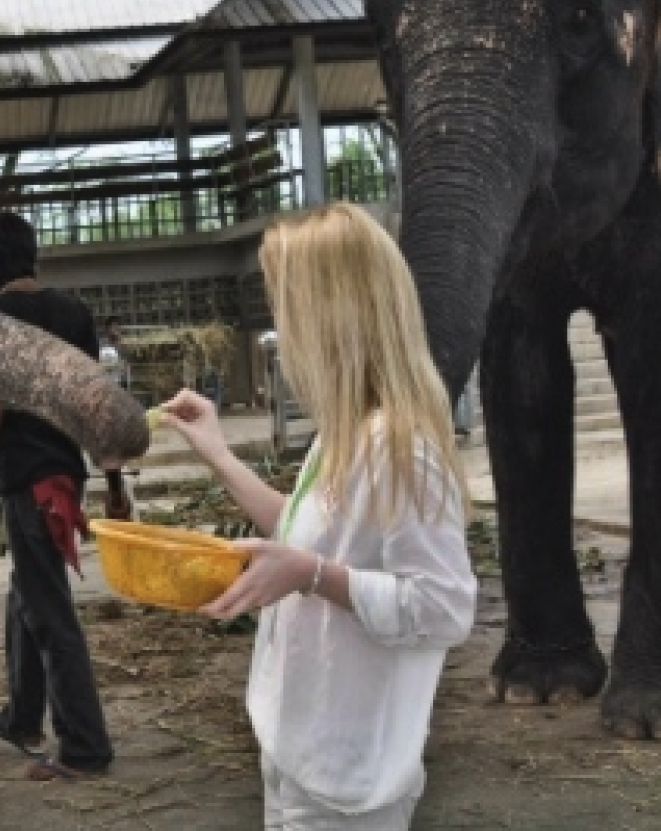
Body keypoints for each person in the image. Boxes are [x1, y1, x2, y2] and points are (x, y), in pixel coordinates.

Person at [161, 202, 476, 828]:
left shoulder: (399, 447)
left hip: (349, 773)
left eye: (286, 305)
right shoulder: (344, 433)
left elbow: (444, 606)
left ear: (331, 317)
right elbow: (302, 527)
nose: (280, 327)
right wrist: (218, 455)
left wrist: (310, 576)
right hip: (298, 746)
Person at [0, 211, 129, 782]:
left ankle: (85, 747)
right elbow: (98, 404)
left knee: (50, 614)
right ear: (32, 253)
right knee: (27, 593)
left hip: (27, 477)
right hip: (67, 473)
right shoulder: (73, 313)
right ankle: (21, 716)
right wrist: (114, 484)